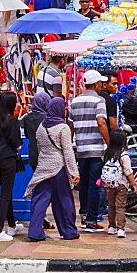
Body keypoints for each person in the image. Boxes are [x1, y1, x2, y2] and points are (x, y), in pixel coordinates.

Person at [26, 97, 80, 242]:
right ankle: (68, 231)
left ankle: (35, 231)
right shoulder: (63, 128)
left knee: (40, 200)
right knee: (64, 200)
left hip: (43, 167)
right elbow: (67, 152)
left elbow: (39, 147)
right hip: (59, 168)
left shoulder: (42, 126)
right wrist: (74, 172)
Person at [70, 70, 109, 232]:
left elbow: (71, 126)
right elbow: (101, 123)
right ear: (96, 84)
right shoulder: (99, 101)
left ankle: (84, 215)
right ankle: (92, 220)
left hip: (81, 148)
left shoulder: (75, 101)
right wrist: (109, 144)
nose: (102, 85)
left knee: (84, 184)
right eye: (101, 82)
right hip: (96, 148)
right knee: (95, 184)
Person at [0, 92, 24, 241]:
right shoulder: (14, 121)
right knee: (5, 195)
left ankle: (12, 226)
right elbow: (18, 145)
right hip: (8, 160)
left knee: (6, 193)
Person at [100, 129, 137, 238]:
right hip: (121, 185)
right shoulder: (123, 155)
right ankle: (121, 229)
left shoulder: (107, 153)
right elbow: (128, 171)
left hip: (109, 185)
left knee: (111, 206)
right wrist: (134, 184)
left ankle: (112, 227)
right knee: (120, 207)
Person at [22, 92, 51, 174]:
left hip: (33, 155)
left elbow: (27, 135)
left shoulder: (27, 118)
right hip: (46, 155)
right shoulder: (48, 118)